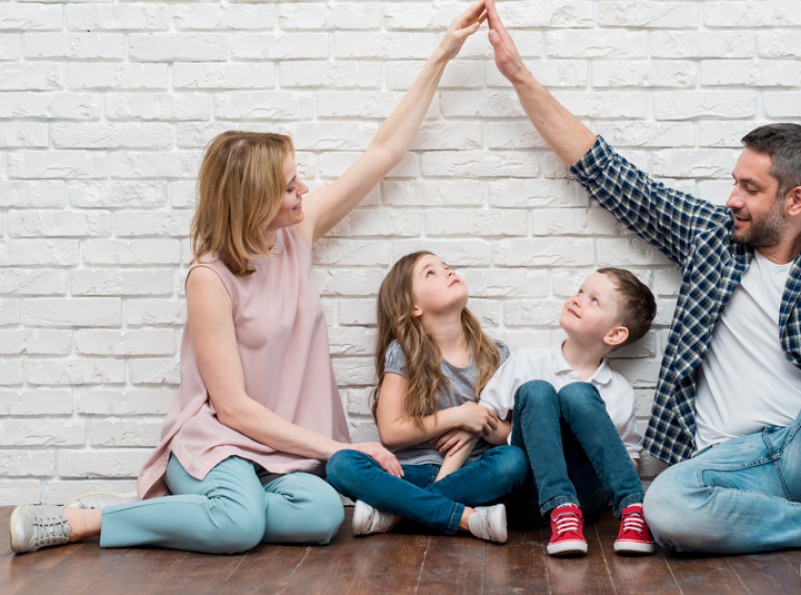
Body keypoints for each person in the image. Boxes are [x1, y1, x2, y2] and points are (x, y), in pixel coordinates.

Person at [480, 0, 801, 586]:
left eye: (750, 188)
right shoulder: (710, 236)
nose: (732, 199)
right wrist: (519, 75)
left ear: (795, 200)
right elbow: (610, 174)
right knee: (665, 509)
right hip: (725, 465)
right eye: (734, 183)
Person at [6, 3, 495, 556]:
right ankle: (89, 519)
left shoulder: (297, 234)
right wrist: (338, 449)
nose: (303, 190)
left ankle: (211, 511)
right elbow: (233, 409)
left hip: (285, 450)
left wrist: (441, 55)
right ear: (254, 199)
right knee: (239, 527)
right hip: (221, 443)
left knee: (320, 517)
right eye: (289, 186)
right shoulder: (209, 278)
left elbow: (384, 152)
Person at [323, 251, 527, 541]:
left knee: (513, 461)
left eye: (446, 266)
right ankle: (464, 518)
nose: (448, 271)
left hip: (470, 474)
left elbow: (509, 434)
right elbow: (390, 432)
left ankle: (398, 515)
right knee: (340, 464)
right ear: (413, 306)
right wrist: (458, 415)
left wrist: (480, 422)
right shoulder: (403, 353)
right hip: (410, 474)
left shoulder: (495, 353)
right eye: (430, 272)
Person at [475, 268, 658, 557]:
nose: (577, 299)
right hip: (530, 492)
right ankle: (561, 508)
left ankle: (633, 509)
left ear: (614, 334)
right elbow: (485, 417)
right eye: (580, 291)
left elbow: (630, 458)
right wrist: (524, 433)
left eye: (594, 300)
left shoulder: (619, 390)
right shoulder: (528, 361)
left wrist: (595, 447)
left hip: (587, 496)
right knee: (537, 390)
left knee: (578, 394)